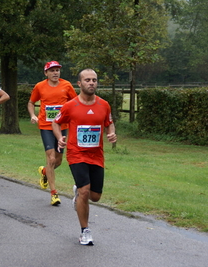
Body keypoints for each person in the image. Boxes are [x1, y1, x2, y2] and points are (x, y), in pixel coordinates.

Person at [52, 68, 117, 245]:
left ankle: (78, 194)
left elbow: (109, 124)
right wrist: (60, 138)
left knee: (95, 196)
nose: (91, 83)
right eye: (87, 80)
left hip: (96, 155)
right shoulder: (70, 106)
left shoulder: (104, 105)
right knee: (85, 191)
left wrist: (111, 133)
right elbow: (55, 123)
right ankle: (85, 231)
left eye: (94, 80)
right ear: (79, 84)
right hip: (76, 154)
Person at [28, 61, 77, 206]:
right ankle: (54, 194)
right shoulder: (40, 86)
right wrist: (32, 115)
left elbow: (75, 102)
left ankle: (45, 172)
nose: (55, 73)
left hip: (62, 127)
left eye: (57, 70)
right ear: (46, 73)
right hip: (46, 126)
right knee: (50, 159)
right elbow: (31, 102)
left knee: (58, 161)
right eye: (52, 70)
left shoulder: (66, 85)